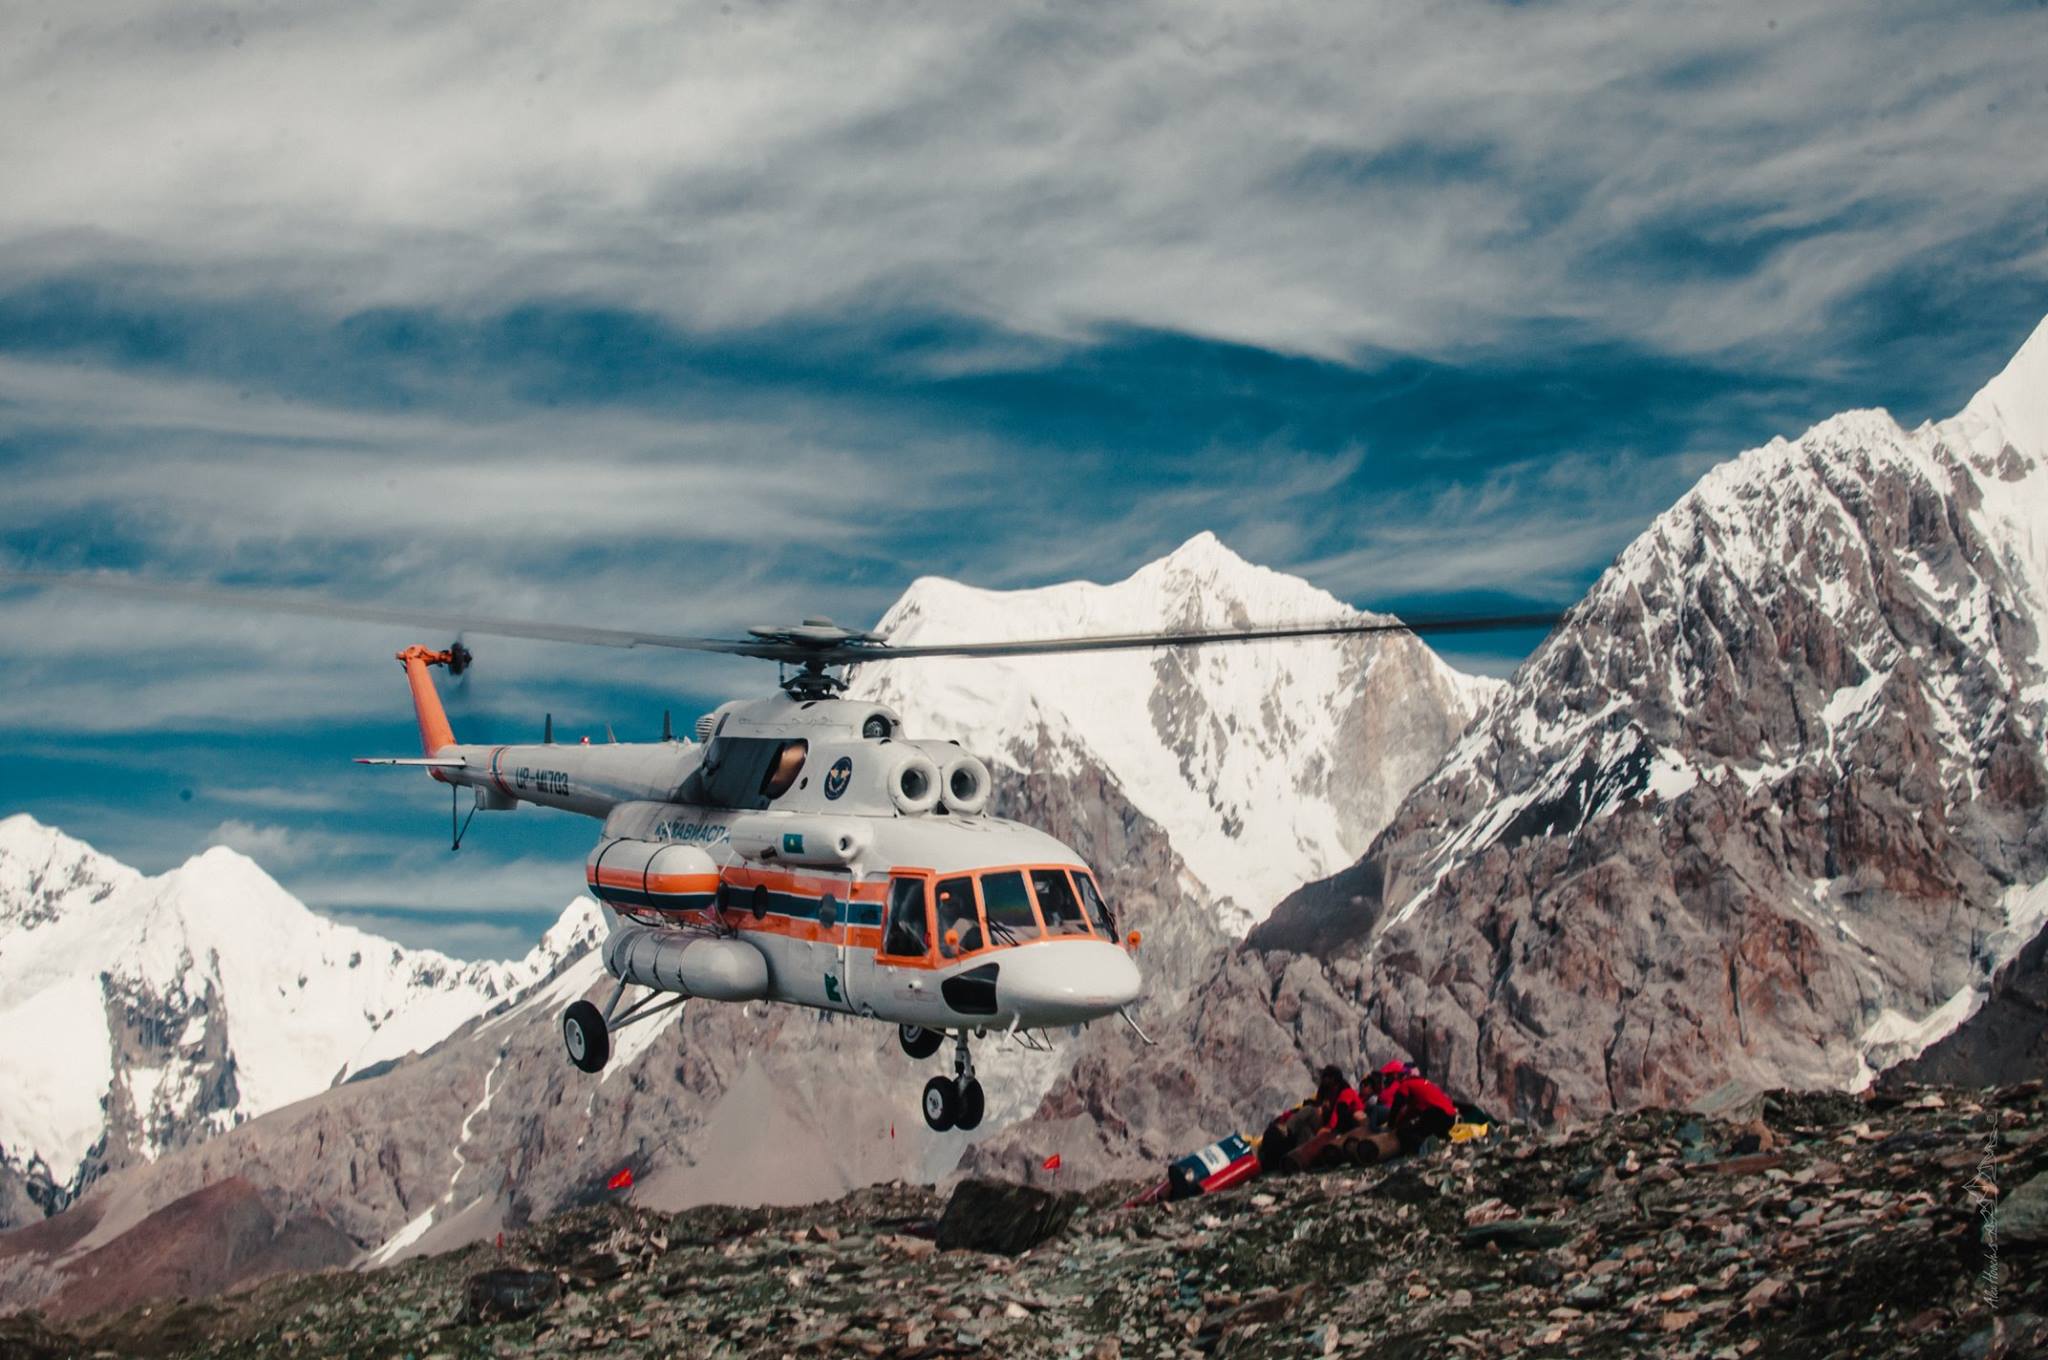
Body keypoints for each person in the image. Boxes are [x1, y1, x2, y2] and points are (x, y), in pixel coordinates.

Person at [1381, 1065, 1458, 1155]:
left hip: (1437, 1114)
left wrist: (1390, 1126)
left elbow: (1396, 1107)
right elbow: (1411, 1111)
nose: (1386, 1078)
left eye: (1388, 1076)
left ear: (1395, 1075)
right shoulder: (1420, 1082)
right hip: (1450, 1117)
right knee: (1432, 1130)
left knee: (1405, 1133)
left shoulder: (1405, 1085)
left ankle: (1423, 1154)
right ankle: (1449, 1146)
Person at [1315, 1065, 1366, 1134]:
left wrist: (1329, 1128)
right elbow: (1319, 1099)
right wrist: (1320, 1106)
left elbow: (1339, 1110)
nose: (1323, 1078)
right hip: (1331, 1119)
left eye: (1326, 1076)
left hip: (1347, 1122)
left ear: (1333, 1079)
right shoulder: (1324, 1087)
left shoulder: (1345, 1091)